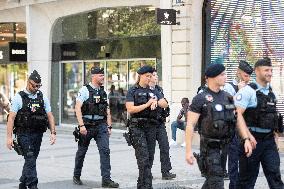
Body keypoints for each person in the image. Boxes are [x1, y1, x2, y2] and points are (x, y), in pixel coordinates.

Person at [185, 63, 252, 189]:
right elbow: (190, 125)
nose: (225, 77)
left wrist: (246, 139)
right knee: (217, 182)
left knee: (212, 182)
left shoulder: (228, 97)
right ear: (212, 77)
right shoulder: (200, 98)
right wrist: (188, 150)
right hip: (209, 149)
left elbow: (238, 119)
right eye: (222, 74)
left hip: (225, 147)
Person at [235, 57, 284, 188]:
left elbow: (272, 115)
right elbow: (237, 114)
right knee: (246, 181)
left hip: (269, 142)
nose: (270, 73)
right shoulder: (248, 91)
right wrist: (246, 137)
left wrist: (275, 135)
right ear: (256, 71)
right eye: (266, 70)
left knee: (275, 177)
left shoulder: (272, 93)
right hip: (251, 142)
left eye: (271, 70)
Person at [6, 70, 56, 189]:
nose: (37, 88)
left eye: (39, 86)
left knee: (31, 159)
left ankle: (23, 183)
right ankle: (33, 185)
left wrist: (53, 132)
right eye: (35, 85)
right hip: (23, 134)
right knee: (29, 156)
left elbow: (50, 115)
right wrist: (9, 138)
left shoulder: (42, 97)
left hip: (38, 134)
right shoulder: (19, 97)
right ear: (29, 83)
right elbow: (11, 118)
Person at [73, 67, 119, 188]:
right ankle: (76, 175)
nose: (103, 78)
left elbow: (107, 110)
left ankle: (106, 180)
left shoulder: (104, 92)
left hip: (101, 126)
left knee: (105, 151)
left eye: (103, 75)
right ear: (93, 76)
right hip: (87, 126)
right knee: (81, 152)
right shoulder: (85, 90)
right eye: (100, 76)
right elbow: (77, 108)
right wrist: (81, 125)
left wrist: (109, 126)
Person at [125, 65, 168, 189]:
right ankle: (147, 186)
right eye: (147, 76)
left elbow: (164, 103)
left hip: (151, 127)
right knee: (143, 158)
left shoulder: (153, 90)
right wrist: (148, 104)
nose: (149, 78)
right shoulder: (133, 90)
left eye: (151, 76)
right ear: (140, 76)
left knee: (149, 158)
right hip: (137, 127)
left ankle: (142, 185)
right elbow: (130, 109)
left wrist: (156, 101)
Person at [223, 60, 253, 188]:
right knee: (234, 163)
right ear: (239, 73)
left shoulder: (249, 88)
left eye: (249, 76)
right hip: (233, 131)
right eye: (246, 76)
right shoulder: (228, 87)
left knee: (247, 162)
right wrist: (240, 92)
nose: (248, 79)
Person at [148, 69, 176, 180]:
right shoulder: (144, 90)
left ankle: (166, 171)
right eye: (154, 75)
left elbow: (164, 104)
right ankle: (147, 171)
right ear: (149, 77)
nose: (156, 77)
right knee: (150, 149)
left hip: (159, 123)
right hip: (149, 123)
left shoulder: (159, 89)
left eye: (156, 75)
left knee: (165, 146)